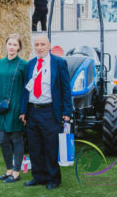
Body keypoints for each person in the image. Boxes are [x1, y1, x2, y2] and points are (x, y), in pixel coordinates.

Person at [20, 35, 72, 189]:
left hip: (50, 111)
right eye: (37, 44)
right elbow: (25, 90)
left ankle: (53, 178)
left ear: (49, 45)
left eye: (43, 44)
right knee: (35, 147)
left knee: (50, 146)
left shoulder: (59, 63)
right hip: (32, 111)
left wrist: (67, 111)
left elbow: (65, 89)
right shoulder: (30, 65)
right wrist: (24, 111)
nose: (40, 47)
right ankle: (39, 177)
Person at [0, 34, 27, 183]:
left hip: (16, 108)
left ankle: (17, 173)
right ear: (6, 45)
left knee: (16, 139)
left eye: (14, 45)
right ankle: (9, 170)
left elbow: (26, 90)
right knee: (3, 140)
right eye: (9, 44)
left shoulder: (24, 65)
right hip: (0, 108)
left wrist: (24, 110)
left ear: (19, 47)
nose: (11, 47)